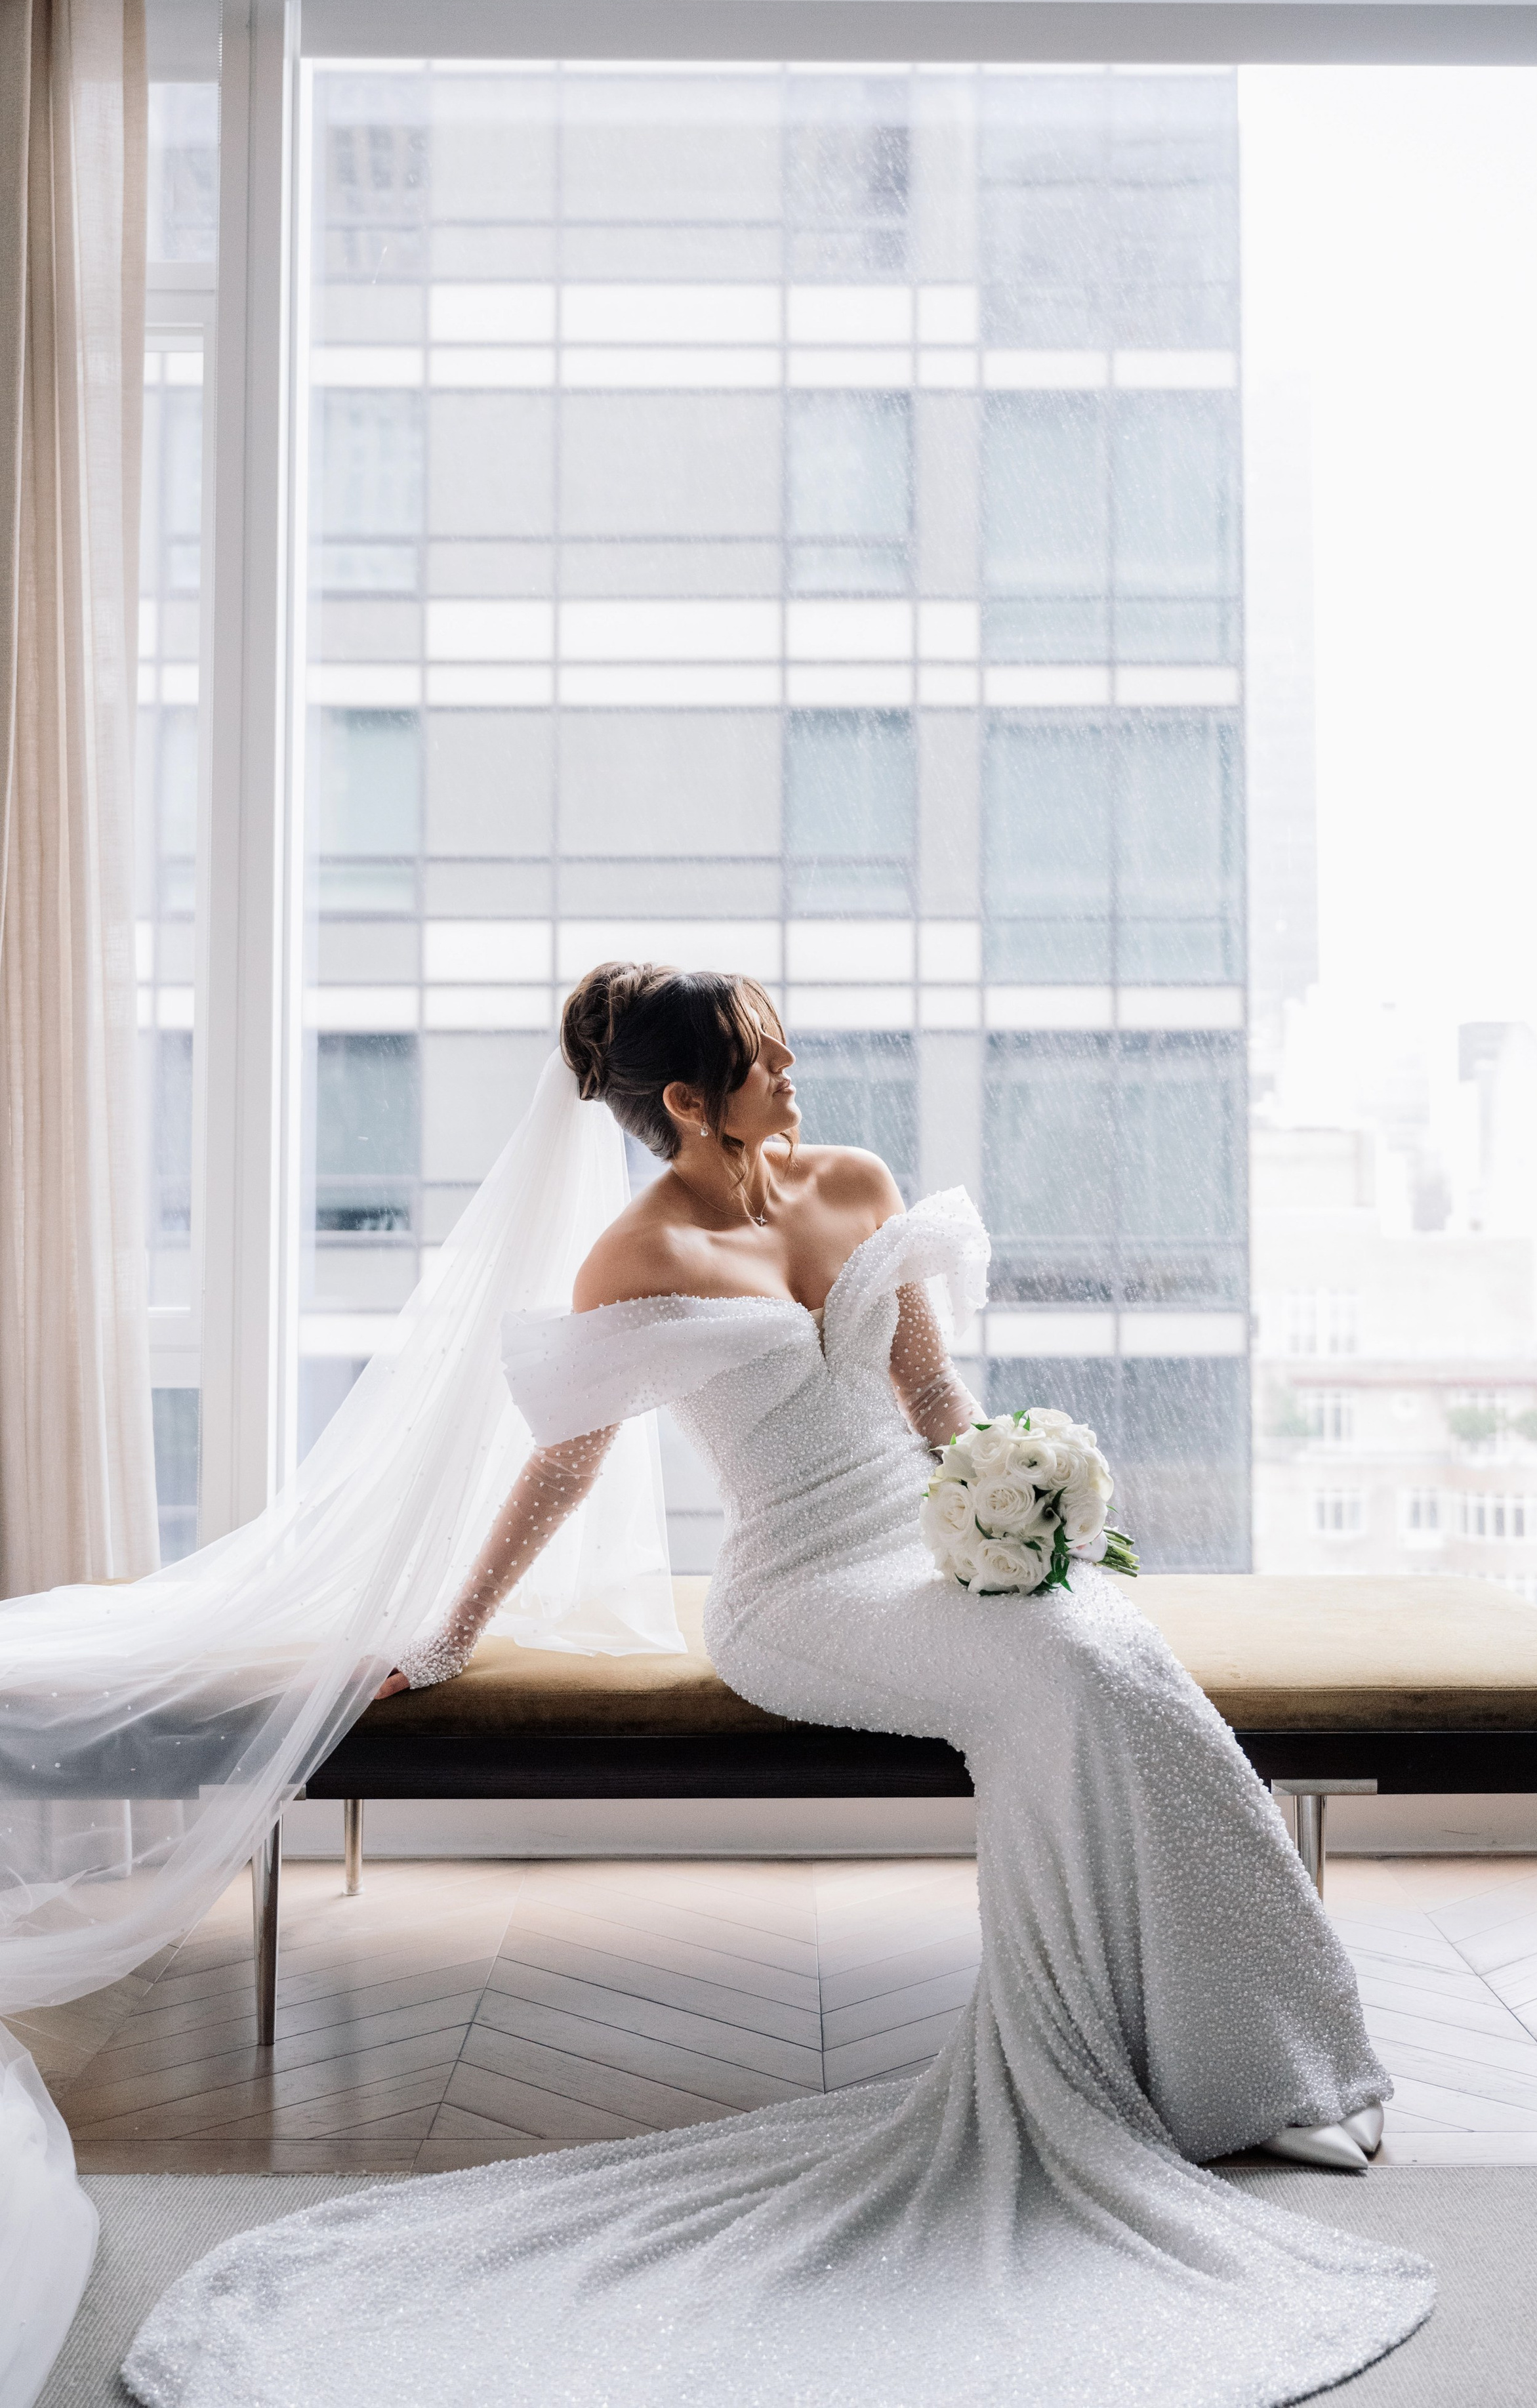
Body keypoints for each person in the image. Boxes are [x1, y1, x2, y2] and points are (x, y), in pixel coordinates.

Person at [121, 963, 1431, 2408]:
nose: (793, 1065)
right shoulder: (632, 1256)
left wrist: (1011, 1501)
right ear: (685, 1102)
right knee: (1055, 1662)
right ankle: (1149, 2074)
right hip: (794, 1595)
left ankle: (1268, 2054)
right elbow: (567, 1461)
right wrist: (443, 1637)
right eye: (760, 1055)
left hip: (928, 1549)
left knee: (1101, 1640)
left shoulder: (857, 1181)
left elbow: (932, 1399)